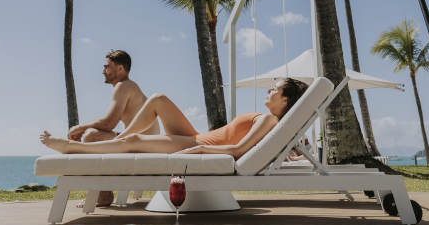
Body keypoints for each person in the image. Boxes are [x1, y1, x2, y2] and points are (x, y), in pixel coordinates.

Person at [40, 78, 309, 158]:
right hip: (195, 136)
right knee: (158, 99)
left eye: (274, 89)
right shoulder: (269, 121)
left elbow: (238, 150)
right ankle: (117, 140)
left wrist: (201, 149)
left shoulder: (268, 120)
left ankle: (72, 147)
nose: (269, 91)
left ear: (285, 101)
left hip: (196, 144)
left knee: (135, 141)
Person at [65, 50, 159, 205]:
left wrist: (79, 128)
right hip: (141, 143)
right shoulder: (128, 86)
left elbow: (109, 123)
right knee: (92, 134)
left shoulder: (123, 86)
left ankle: (103, 194)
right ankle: (102, 192)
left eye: (107, 66)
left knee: (91, 136)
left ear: (120, 68)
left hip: (143, 146)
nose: (103, 71)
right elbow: (109, 125)